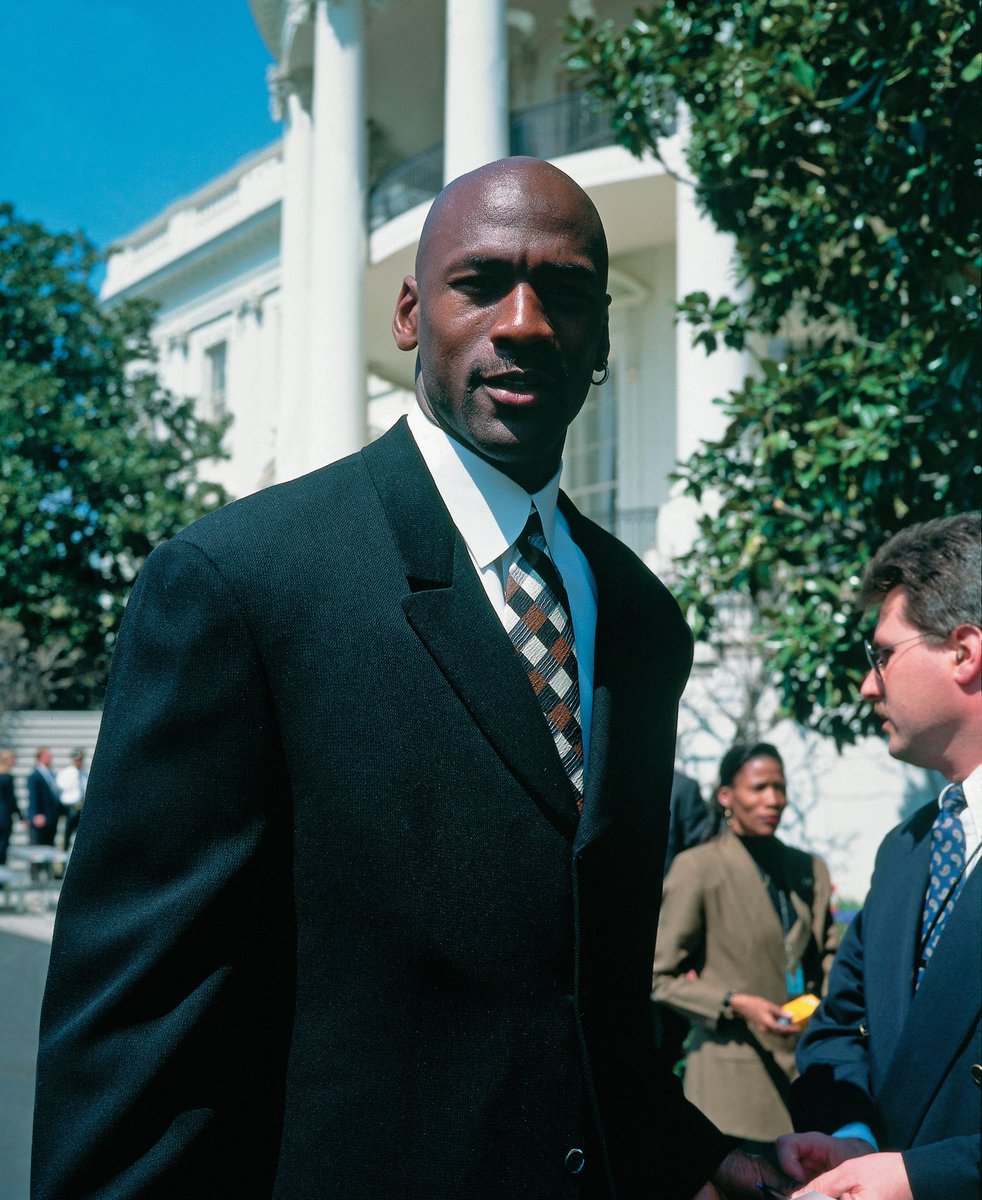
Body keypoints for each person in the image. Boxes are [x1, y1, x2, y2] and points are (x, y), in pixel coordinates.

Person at [32, 158, 781, 1200]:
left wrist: (698, 1157)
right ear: (407, 311)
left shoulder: (643, 622)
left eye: (564, 291)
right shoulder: (243, 585)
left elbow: (583, 1008)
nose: (523, 321)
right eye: (481, 282)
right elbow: (135, 1043)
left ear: (605, 335)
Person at [778, 512, 981, 1200]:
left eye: (883, 654)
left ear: (964, 652)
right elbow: (838, 1026)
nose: (869, 686)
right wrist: (854, 1137)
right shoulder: (908, 848)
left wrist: (923, 1176)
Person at [652, 742, 837, 1144]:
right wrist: (734, 1003)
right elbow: (658, 976)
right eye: (759, 787)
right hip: (730, 1082)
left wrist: (824, 1006)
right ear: (726, 797)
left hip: (806, 1075)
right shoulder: (698, 869)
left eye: (780, 787)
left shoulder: (808, 870)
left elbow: (831, 960)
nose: (774, 799)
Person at [26, 748, 60, 849]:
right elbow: (33, 797)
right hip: (40, 818)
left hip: (50, 818)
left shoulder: (50, 774)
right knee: (37, 850)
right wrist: (36, 814)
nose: (50, 759)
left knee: (48, 847)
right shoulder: (35, 776)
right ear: (40, 758)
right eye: (48, 756)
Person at [54, 748, 87, 852]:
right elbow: (61, 788)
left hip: (81, 808)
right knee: (65, 836)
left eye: (80, 760)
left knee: (81, 836)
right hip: (69, 808)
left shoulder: (86, 773)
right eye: (76, 760)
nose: (78, 762)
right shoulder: (66, 773)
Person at [0, 748, 22, 865]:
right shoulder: (7, 777)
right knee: (2, 846)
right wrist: (21, 816)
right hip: (4, 817)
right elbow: (11, 800)